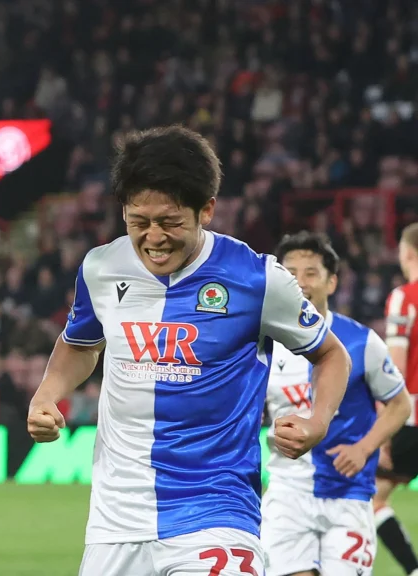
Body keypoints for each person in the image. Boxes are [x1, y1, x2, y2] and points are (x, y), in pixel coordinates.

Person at [26, 125, 351, 576]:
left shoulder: (256, 278)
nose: (154, 237)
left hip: (216, 510)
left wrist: (318, 421)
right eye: (138, 222)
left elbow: (332, 354)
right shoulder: (101, 268)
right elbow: (80, 344)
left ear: (207, 210)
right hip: (116, 519)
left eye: (170, 222)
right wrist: (46, 395)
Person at [261, 231, 410, 576]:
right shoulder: (263, 345)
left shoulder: (361, 341)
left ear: (332, 283)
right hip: (287, 494)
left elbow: (400, 404)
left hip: (348, 495)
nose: (300, 282)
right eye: (291, 273)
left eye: (311, 273)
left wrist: (365, 447)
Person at [377, 223, 418, 576]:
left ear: (407, 254)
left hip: (412, 420)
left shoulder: (405, 297)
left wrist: (384, 430)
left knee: (374, 498)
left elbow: (396, 367)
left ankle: (413, 568)